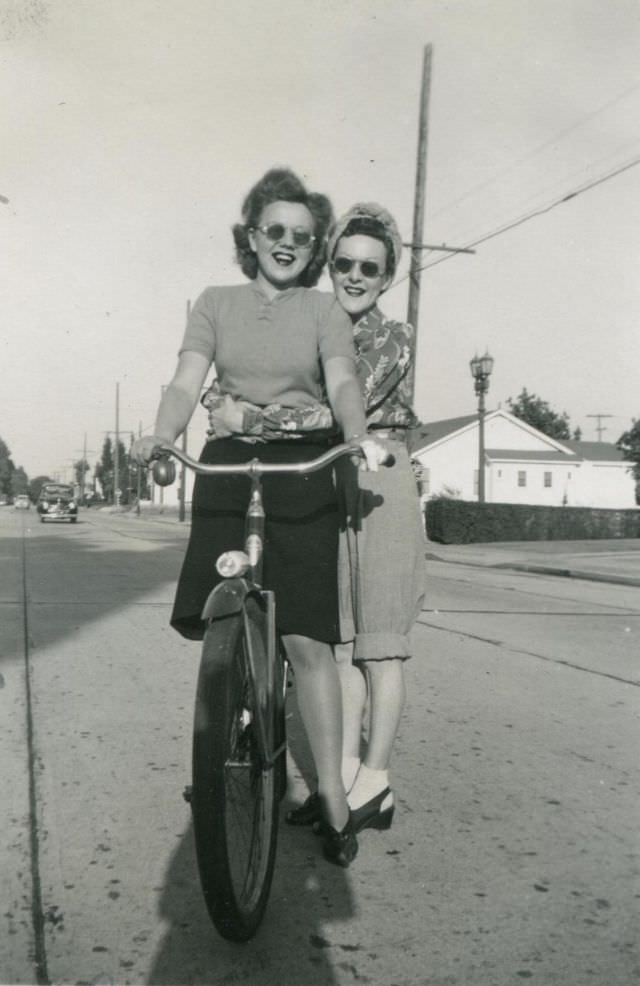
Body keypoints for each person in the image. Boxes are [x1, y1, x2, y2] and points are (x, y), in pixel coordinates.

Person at [132, 169, 387, 868]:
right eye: (274, 230)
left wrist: (356, 433)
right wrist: (162, 433)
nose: (287, 243)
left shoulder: (323, 311)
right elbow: (188, 379)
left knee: (306, 643)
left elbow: (341, 379)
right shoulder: (215, 303)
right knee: (227, 615)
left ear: (314, 248)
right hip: (229, 462)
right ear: (251, 235)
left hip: (303, 470)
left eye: (302, 236)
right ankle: (229, 733)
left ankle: (332, 795)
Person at [205, 202, 427, 836]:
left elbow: (332, 412)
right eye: (344, 264)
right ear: (329, 266)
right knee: (337, 641)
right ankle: (343, 774)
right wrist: (222, 396)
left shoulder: (393, 338)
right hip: (325, 483)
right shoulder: (309, 322)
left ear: (387, 279)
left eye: (370, 268)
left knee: (380, 648)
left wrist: (249, 418)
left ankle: (375, 784)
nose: (355, 276)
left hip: (378, 482)